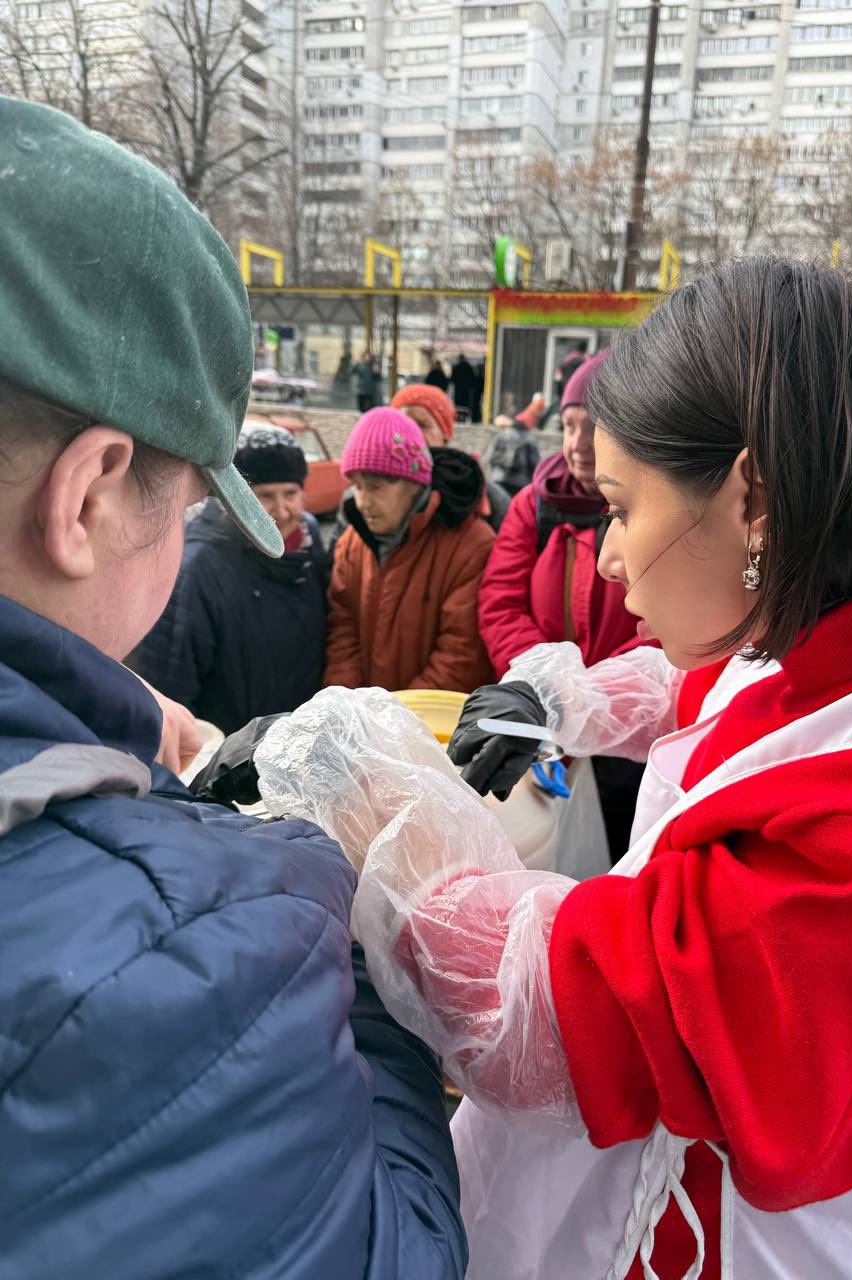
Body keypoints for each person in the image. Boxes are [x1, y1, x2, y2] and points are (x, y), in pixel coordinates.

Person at [244, 258, 852, 1280]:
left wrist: (358, 787)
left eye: (621, 508)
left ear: (752, 496)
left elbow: (545, 1016)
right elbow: (714, 687)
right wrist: (560, 697)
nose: (612, 556)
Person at [0, 96, 466, 1280]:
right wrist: (345, 941)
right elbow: (397, 1247)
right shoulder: (211, 956)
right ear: (89, 494)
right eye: (192, 504)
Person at [478, 352, 646, 858]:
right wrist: (550, 689)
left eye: (594, 429)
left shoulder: (654, 507)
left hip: (629, 732)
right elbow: (500, 603)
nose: (576, 445)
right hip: (545, 721)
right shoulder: (536, 505)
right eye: (569, 426)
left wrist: (595, 698)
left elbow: (663, 627)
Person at [130, 422, 329, 736]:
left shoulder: (309, 547)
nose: (281, 510)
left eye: (291, 494)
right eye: (265, 495)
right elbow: (170, 682)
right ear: (238, 499)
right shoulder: (199, 567)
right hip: (234, 751)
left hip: (298, 740)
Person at [324, 408, 494, 692]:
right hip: (361, 713)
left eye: (376, 487)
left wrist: (398, 713)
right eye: (358, 487)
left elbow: (462, 654)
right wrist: (347, 704)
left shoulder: (471, 545)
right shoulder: (351, 543)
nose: (364, 502)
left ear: (414, 484)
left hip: (432, 715)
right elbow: (342, 629)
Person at [391, 383, 511, 530]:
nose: (412, 434)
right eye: (403, 425)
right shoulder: (377, 486)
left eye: (422, 425)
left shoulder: (482, 494)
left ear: (445, 433)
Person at [484, 394, 543, 498]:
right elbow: (536, 465)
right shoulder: (529, 439)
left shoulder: (500, 435)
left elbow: (489, 457)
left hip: (498, 480)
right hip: (521, 484)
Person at [450, 353, 475, 421]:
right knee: (465, 405)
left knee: (458, 406)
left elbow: (452, 379)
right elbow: (472, 379)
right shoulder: (468, 368)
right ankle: (464, 418)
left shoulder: (456, 368)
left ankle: (458, 418)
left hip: (458, 390)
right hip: (466, 391)